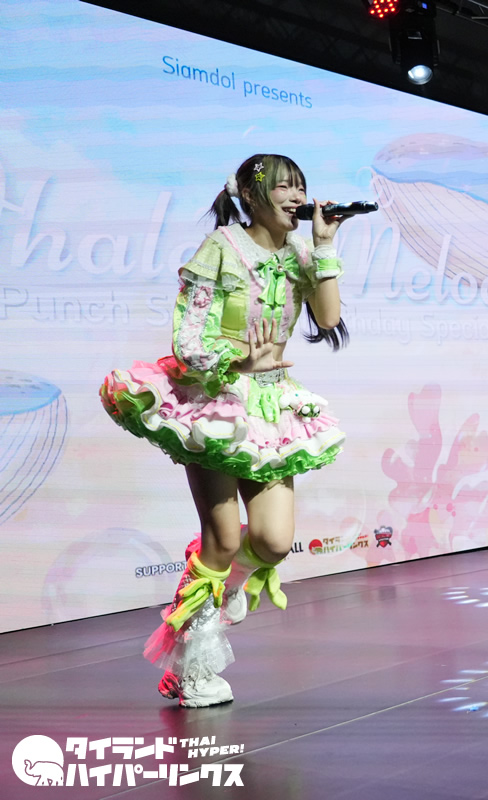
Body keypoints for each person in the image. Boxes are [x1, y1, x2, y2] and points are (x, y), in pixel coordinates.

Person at [100, 154, 351, 706]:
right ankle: (191, 668)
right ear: (251, 196)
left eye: (301, 187)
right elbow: (187, 340)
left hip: (273, 406)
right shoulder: (221, 247)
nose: (297, 197)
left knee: (274, 541)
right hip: (216, 399)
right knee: (224, 539)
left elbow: (329, 318)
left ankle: (211, 593)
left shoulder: (301, 252)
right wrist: (239, 362)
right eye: (284, 187)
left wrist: (325, 244)